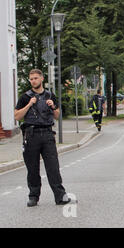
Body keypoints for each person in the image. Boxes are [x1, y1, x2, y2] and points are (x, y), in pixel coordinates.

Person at [14, 69, 71, 207]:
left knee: (53, 167)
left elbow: (57, 116)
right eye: (31, 79)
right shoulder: (25, 97)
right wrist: (29, 104)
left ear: (41, 79)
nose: (33, 81)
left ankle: (60, 196)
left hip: (47, 134)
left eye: (35, 78)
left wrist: (53, 107)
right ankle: (33, 196)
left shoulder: (50, 95)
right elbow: (17, 116)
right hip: (31, 134)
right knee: (32, 168)